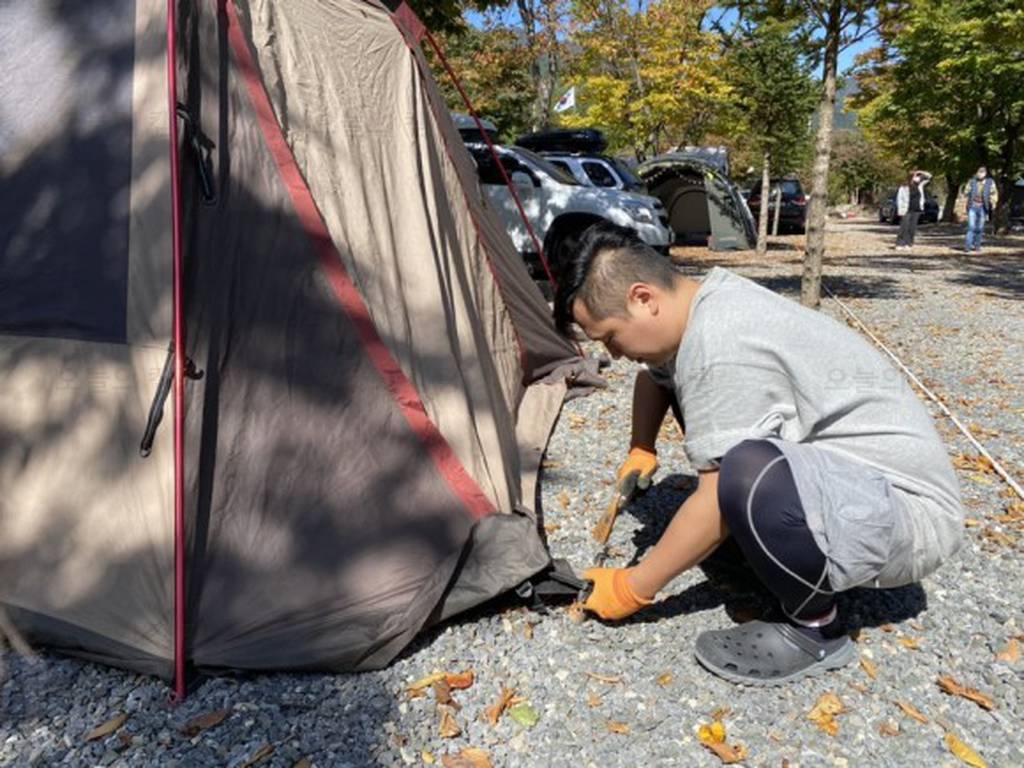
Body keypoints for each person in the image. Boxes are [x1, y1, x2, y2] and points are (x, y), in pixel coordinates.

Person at [556, 223, 964, 686]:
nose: (612, 354)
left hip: (910, 519)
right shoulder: (701, 304)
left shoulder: (719, 343)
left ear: (643, 298)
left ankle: (816, 629)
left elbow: (716, 495)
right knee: (738, 466)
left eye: (610, 337)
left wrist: (633, 586)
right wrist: (641, 447)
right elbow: (656, 378)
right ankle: (788, 548)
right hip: (863, 492)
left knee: (745, 471)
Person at [894, 170, 932, 250]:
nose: (918, 178)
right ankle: (900, 243)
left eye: (918, 176)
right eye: (916, 176)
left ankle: (909, 243)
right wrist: (900, 210)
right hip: (906, 209)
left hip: (916, 209)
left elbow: (929, 177)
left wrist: (920, 172)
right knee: (904, 227)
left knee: (912, 228)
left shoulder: (920, 185)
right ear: (911, 177)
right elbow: (899, 199)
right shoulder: (904, 187)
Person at [963, 166, 997, 252]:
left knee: (980, 228)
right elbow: (966, 192)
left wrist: (993, 203)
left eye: (982, 173)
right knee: (971, 227)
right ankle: (968, 246)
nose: (980, 174)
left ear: (985, 174)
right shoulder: (972, 181)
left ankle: (977, 246)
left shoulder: (990, 182)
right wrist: (967, 194)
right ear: (977, 173)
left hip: (983, 207)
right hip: (972, 206)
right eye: (979, 173)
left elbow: (994, 193)